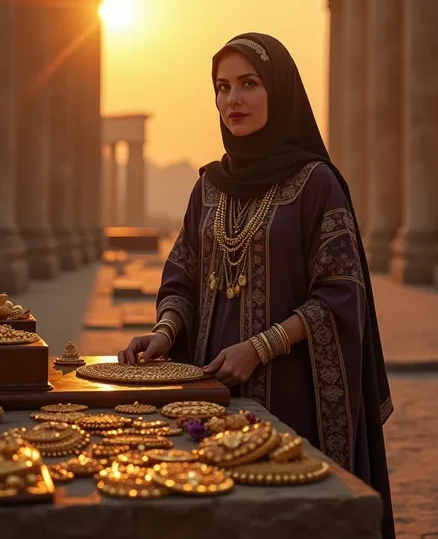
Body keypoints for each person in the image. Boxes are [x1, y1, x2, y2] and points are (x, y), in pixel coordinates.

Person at [118, 32, 395, 539]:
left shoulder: (317, 184)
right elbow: (183, 273)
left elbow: (340, 293)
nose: (233, 100)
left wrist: (260, 347)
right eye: (222, 88)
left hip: (293, 397)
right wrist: (164, 330)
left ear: (280, 91)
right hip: (212, 391)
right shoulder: (208, 185)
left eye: (249, 84)